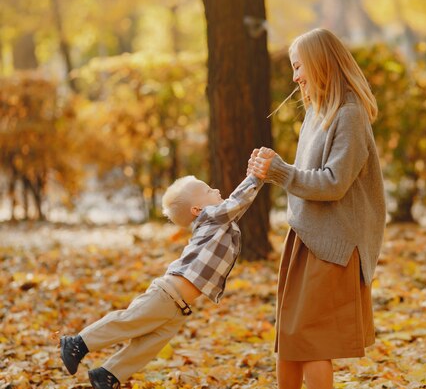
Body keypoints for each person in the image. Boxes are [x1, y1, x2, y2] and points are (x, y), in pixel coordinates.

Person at [248, 28, 386, 389]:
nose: (295, 76)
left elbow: (333, 183)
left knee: (311, 343)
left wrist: (280, 171)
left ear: (319, 63)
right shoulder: (317, 111)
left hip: (335, 246)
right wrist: (269, 170)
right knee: (290, 341)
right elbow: (303, 177)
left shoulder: (350, 115)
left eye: (299, 66)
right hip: (305, 236)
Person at [59, 165, 271, 389]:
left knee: (148, 345)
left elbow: (236, 206)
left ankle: (108, 374)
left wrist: (254, 178)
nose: (216, 189)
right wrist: (255, 177)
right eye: (209, 190)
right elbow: (237, 202)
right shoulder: (211, 217)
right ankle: (77, 343)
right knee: (129, 321)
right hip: (167, 294)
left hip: (179, 307)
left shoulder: (219, 220)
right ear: (197, 209)